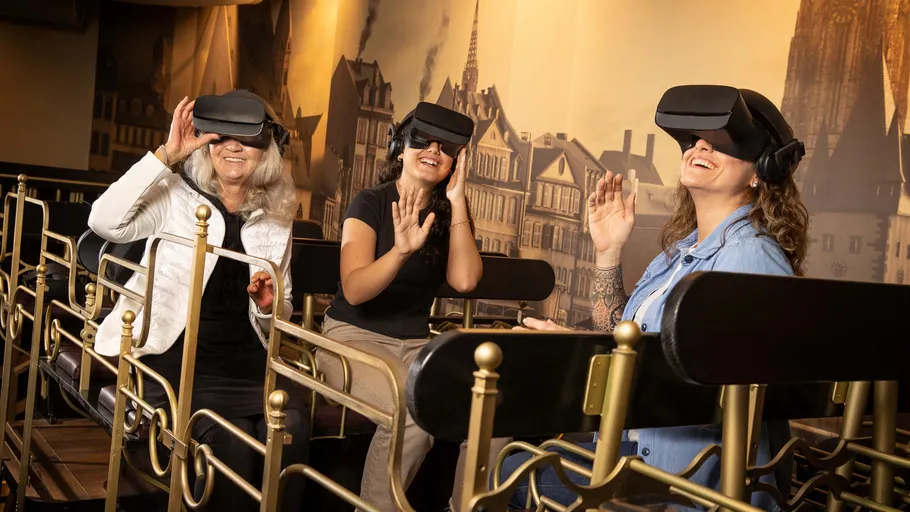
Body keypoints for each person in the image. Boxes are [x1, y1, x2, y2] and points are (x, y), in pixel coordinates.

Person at [498, 86, 810, 511]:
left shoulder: (751, 256)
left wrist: (579, 356)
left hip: (687, 479)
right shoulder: (681, 253)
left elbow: (723, 393)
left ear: (761, 172)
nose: (701, 146)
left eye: (721, 141)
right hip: (638, 449)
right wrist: (608, 251)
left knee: (509, 475)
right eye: (696, 139)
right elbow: (622, 334)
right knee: (515, 459)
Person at [89, 90, 309, 512]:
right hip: (177, 360)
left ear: (267, 150)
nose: (233, 146)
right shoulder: (173, 195)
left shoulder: (277, 219)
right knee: (231, 452)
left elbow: (281, 312)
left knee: (293, 431)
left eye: (246, 137)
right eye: (221, 135)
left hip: (248, 368)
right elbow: (102, 220)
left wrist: (267, 305)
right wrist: (167, 154)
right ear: (207, 143)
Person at [314, 102, 487, 511]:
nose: (433, 150)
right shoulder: (369, 202)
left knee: (488, 410)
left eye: (447, 147)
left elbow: (465, 280)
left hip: (413, 349)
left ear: (457, 161)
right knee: (411, 410)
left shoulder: (447, 215)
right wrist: (401, 251)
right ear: (400, 145)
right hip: (350, 339)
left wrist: (458, 199)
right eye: (423, 140)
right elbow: (354, 290)